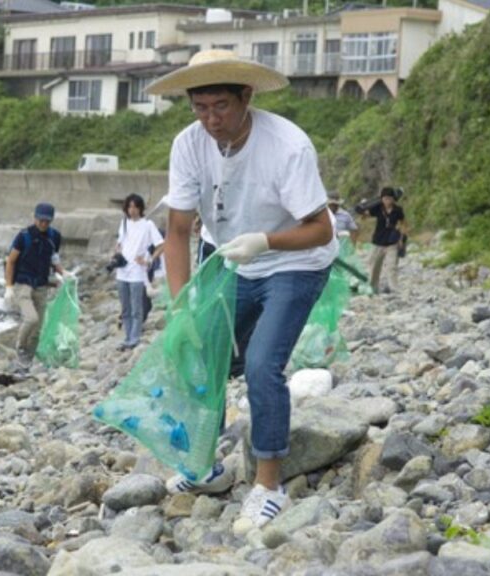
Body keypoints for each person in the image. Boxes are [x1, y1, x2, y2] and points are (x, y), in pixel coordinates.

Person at [147, 49, 337, 534]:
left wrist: (266, 241)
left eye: (221, 107)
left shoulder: (287, 146)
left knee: (261, 365)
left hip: (295, 260)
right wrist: (181, 306)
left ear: (246, 97)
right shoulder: (189, 144)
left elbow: (321, 230)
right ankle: (206, 469)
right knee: (199, 352)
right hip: (234, 260)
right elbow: (178, 231)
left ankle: (268, 485)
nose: (211, 119)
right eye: (200, 107)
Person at [4, 202, 66, 366]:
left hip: (41, 283)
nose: (43, 224)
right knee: (31, 318)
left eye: (47, 221)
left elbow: (54, 259)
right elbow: (10, 261)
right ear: (35, 217)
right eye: (40, 220)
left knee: (38, 328)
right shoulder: (23, 236)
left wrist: (63, 273)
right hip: (22, 282)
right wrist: (9, 287)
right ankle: (20, 346)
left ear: (51, 220)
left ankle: (27, 361)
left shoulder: (54, 237)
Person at [113, 194, 165, 350]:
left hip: (137, 272)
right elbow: (119, 243)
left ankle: (134, 339)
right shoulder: (124, 224)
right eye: (129, 207)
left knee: (137, 307)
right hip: (122, 271)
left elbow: (161, 245)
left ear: (141, 208)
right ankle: (128, 337)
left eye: (135, 207)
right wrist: (116, 253)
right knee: (125, 308)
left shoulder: (147, 225)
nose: (132, 210)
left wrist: (149, 260)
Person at [357, 187, 406, 294]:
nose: (387, 201)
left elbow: (403, 223)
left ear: (393, 199)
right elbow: (365, 216)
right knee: (374, 266)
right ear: (382, 199)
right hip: (378, 242)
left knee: (392, 266)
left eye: (389, 198)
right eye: (385, 198)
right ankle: (373, 288)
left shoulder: (398, 210)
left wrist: (402, 238)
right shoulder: (378, 208)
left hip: (392, 242)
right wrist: (361, 211)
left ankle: (394, 288)